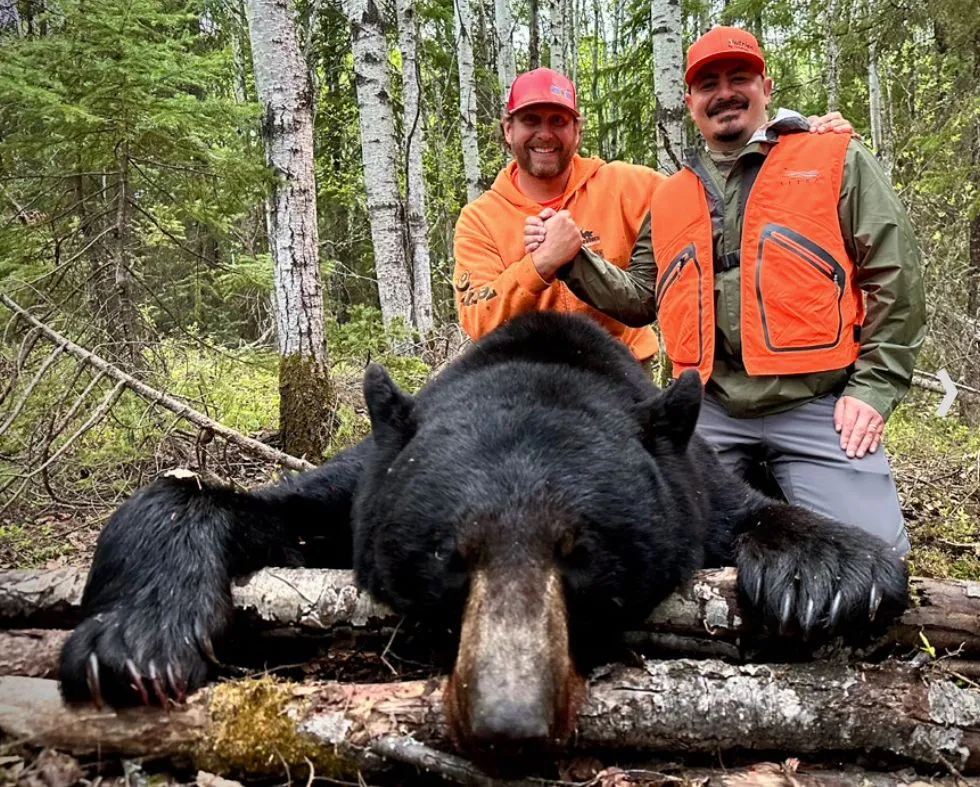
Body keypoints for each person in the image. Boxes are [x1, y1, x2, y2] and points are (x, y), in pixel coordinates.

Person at [525, 26, 925, 553]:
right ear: (690, 101)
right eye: (708, 83)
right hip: (710, 410)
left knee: (874, 556)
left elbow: (895, 274)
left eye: (740, 78)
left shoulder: (835, 159)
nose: (725, 93)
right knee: (655, 544)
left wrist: (872, 389)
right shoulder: (670, 196)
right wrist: (575, 260)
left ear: (767, 85)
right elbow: (643, 296)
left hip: (815, 402)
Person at [453, 66, 851, 366]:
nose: (545, 134)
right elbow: (478, 318)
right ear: (508, 130)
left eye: (558, 120)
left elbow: (725, 194)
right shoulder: (481, 219)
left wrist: (805, 143)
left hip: (619, 372)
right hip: (520, 377)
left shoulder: (631, 186)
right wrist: (542, 263)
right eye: (530, 121)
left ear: (577, 129)